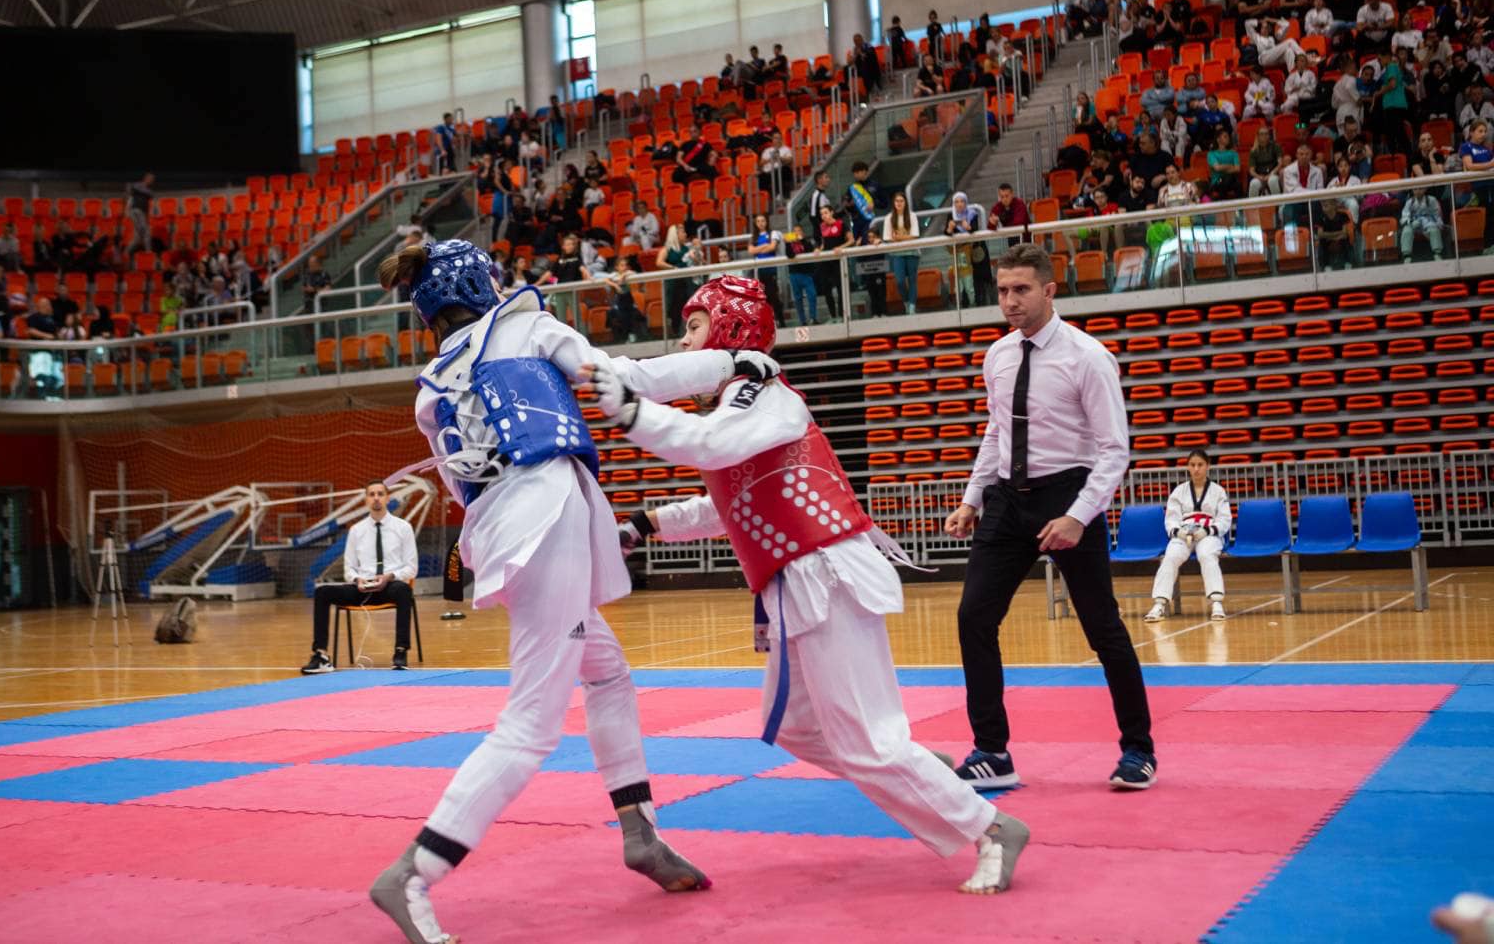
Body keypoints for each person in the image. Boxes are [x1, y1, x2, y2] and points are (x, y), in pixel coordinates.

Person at [368, 240, 776, 943]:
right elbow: (628, 378)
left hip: (504, 534)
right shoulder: (525, 325)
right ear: (482, 283)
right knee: (529, 725)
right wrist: (730, 362)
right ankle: (411, 874)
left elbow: (466, 482)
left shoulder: (431, 387)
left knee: (609, 674)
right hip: (544, 516)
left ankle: (640, 832)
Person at [593, 276, 1031, 896]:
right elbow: (733, 502)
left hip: (824, 573)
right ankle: (913, 768)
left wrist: (632, 409)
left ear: (730, 328)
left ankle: (991, 828)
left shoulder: (764, 393)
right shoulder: (739, 408)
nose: (684, 341)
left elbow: (709, 447)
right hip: (799, 583)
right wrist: (647, 523)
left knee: (865, 742)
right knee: (800, 727)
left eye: (694, 326)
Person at [943, 243, 1155, 792]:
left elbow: (1114, 450)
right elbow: (997, 431)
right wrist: (972, 499)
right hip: (1006, 499)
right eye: (1003, 290)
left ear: (1049, 290)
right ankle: (992, 751)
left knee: (1102, 628)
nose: (1010, 301)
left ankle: (1139, 749)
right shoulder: (998, 355)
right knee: (973, 617)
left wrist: (1079, 516)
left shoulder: (1088, 357)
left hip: (1067, 496)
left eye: (1021, 289)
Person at [301, 481, 420, 674]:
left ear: (387, 498)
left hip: (389, 587)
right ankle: (321, 655)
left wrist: (390, 576)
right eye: (372, 494)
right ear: (366, 500)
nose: (376, 498)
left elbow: (411, 568)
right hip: (362, 589)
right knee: (322, 592)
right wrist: (357, 580)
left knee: (404, 590)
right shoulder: (356, 530)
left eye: (380, 494)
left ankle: (400, 652)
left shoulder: (403, 528)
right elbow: (349, 568)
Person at [1144, 450, 1233, 623]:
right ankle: (1159, 604)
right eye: (1192, 465)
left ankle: (1216, 603)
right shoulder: (1179, 491)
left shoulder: (1218, 491)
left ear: (1207, 466)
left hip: (1208, 534)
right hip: (1184, 533)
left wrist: (1208, 531)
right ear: (1188, 467)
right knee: (1171, 557)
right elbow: (1171, 519)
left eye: (1200, 465)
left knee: (1207, 554)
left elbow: (1224, 519)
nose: (1196, 469)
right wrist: (1178, 532)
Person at [883, 190, 921, 314]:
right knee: (899, 281)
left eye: (901, 201)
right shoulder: (888, 218)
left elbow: (915, 235)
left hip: (912, 252)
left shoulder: (912, 216)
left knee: (912, 280)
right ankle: (906, 302)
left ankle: (912, 307)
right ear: (893, 203)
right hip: (897, 253)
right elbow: (887, 238)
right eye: (896, 201)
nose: (899, 203)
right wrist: (903, 238)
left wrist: (899, 238)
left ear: (905, 203)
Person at [126, 172, 155, 260]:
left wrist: (140, 191)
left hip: (143, 213)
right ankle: (148, 252)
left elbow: (151, 195)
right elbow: (129, 187)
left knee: (138, 238)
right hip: (136, 211)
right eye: (150, 179)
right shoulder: (138, 185)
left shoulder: (148, 190)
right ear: (146, 178)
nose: (152, 181)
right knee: (146, 232)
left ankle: (126, 253)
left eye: (153, 180)